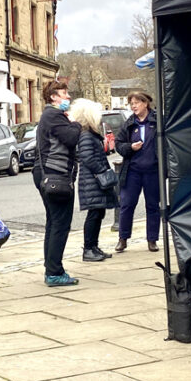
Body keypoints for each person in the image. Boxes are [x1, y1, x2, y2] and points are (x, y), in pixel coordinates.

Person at [33, 80, 81, 286]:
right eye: (64, 93)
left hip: (48, 175)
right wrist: (77, 122)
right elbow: (71, 138)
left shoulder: (49, 115)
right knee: (60, 224)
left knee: (53, 223)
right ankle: (54, 273)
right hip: (56, 175)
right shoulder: (53, 115)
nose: (68, 97)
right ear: (53, 97)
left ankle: (52, 268)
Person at [69, 99, 116, 262]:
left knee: (98, 212)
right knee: (94, 214)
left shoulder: (88, 133)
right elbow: (87, 157)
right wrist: (102, 171)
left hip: (93, 180)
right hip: (92, 181)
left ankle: (94, 247)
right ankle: (88, 249)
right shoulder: (86, 135)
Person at [114, 91, 160, 253]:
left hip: (153, 171)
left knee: (153, 206)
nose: (133, 106)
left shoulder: (157, 121)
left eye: (136, 103)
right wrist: (130, 148)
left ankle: (152, 240)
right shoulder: (129, 123)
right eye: (131, 103)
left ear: (145, 103)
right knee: (127, 205)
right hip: (132, 171)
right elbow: (118, 145)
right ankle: (123, 238)